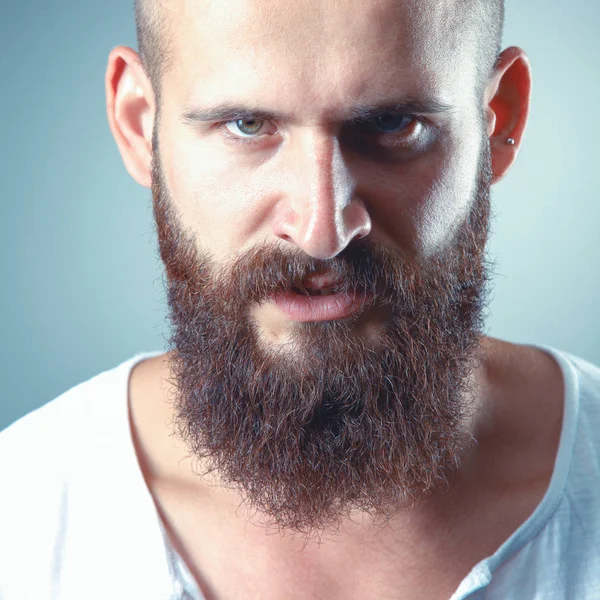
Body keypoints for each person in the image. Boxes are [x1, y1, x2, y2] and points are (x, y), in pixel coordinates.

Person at [1, 0, 599, 598]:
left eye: (393, 124)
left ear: (497, 117)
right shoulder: (20, 518)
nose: (322, 229)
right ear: (139, 125)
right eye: (247, 125)